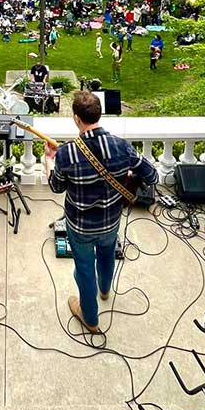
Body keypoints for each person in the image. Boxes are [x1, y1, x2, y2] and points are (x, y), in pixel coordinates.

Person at [45, 91, 158, 332]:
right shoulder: (121, 146)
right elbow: (152, 175)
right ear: (100, 114)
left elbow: (56, 187)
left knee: (84, 269)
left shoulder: (66, 153)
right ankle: (105, 290)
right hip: (110, 222)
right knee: (107, 255)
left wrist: (48, 161)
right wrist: (129, 175)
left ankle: (91, 319)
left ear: (76, 118)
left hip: (80, 226)